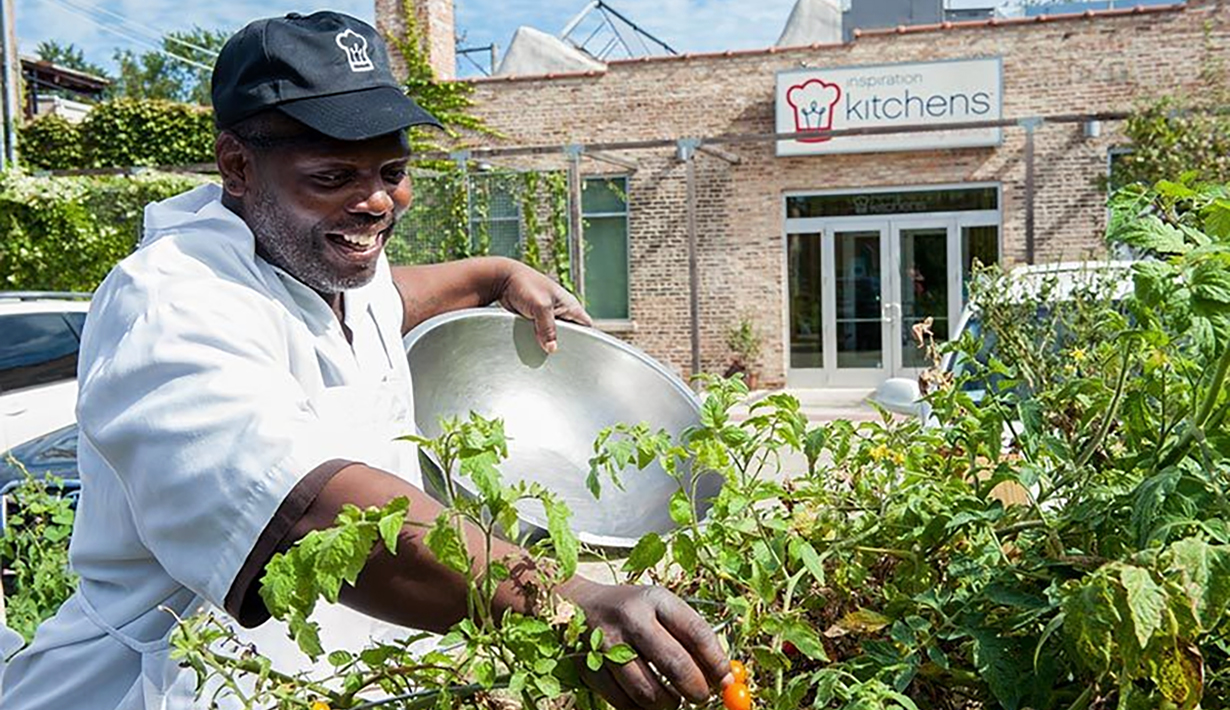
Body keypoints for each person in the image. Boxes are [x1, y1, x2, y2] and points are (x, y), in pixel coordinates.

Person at [0, 11, 730, 710]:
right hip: (168, 687)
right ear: (236, 166)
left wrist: (497, 274)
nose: (378, 201)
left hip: (336, 681)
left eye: (392, 168)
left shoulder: (327, 271)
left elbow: (398, 296)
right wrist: (560, 600)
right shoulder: (171, 301)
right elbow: (311, 513)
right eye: (334, 176)